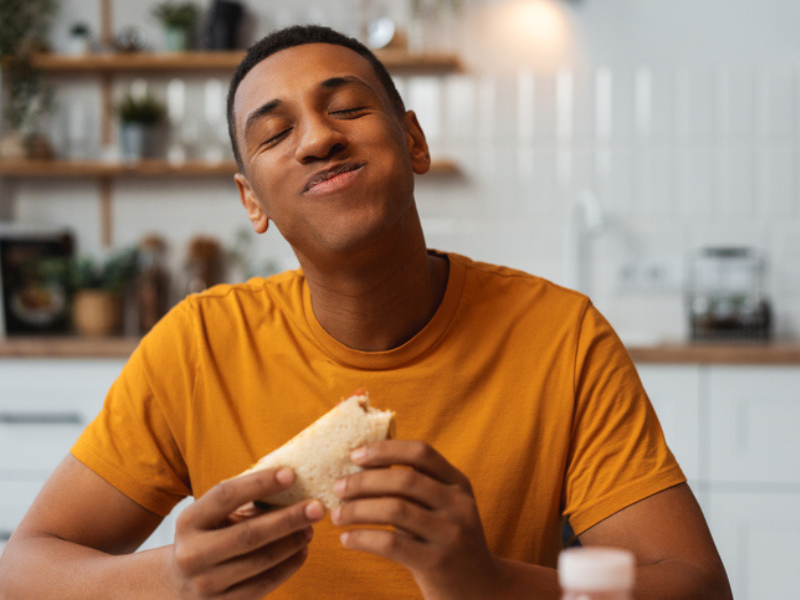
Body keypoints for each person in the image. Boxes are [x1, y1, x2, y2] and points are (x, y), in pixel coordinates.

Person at [0, 25, 732, 599]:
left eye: (347, 107)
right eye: (275, 133)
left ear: (413, 141)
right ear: (251, 200)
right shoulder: (198, 346)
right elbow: (22, 570)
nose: (320, 138)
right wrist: (170, 580)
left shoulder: (560, 337)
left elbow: (693, 584)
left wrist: (487, 584)